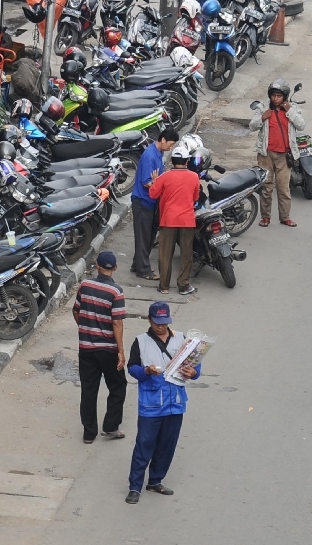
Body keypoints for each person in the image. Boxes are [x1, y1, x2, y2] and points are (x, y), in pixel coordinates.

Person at [125, 301, 200, 504]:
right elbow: (131, 368)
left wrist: (193, 373)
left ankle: (155, 480)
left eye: (164, 322)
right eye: (157, 322)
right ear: (149, 320)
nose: (161, 326)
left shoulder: (182, 339)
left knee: (167, 446)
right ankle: (135, 487)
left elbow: (195, 368)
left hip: (175, 404)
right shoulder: (140, 342)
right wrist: (145, 371)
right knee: (144, 446)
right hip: (151, 404)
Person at [72, 251, 127, 445]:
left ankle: (89, 433)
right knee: (118, 386)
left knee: (89, 389)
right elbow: (117, 322)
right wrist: (120, 351)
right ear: (115, 268)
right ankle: (111, 426)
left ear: (97, 266)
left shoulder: (85, 285)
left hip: (86, 347)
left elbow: (76, 311)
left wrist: (85, 329)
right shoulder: (116, 292)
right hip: (108, 349)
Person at [250, 79, 305, 228]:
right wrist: (263, 117)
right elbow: (251, 126)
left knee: (283, 188)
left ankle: (285, 217)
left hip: (284, 156)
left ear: (285, 96)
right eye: (273, 95)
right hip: (266, 154)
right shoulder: (263, 108)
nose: (276, 99)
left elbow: (301, 125)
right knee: (266, 187)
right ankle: (265, 217)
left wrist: (290, 111)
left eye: (279, 96)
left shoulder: (292, 108)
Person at [148, 146, 200, 296]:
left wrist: (155, 180)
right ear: (186, 161)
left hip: (168, 220)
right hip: (187, 221)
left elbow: (153, 194)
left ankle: (164, 286)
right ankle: (183, 285)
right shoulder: (194, 177)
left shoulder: (164, 177)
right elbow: (196, 198)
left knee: (165, 254)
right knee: (186, 254)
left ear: (172, 160)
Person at [130, 127, 178, 281]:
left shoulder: (159, 154)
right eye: (170, 144)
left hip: (151, 201)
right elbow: (147, 182)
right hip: (143, 201)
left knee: (149, 235)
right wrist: (160, 184)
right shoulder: (150, 156)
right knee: (144, 237)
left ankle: (137, 264)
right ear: (162, 140)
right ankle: (143, 270)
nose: (171, 147)